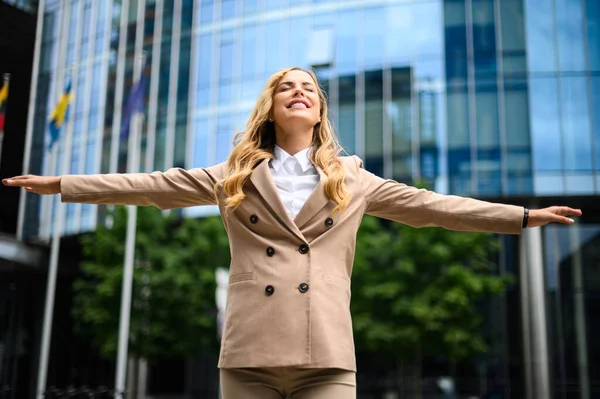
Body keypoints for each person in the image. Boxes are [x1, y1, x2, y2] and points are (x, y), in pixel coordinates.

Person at [2, 67, 581, 398]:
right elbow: (154, 184)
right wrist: (65, 185)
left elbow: (433, 206)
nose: (298, 91)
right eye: (286, 88)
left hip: (325, 355)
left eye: (308, 87)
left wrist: (523, 217)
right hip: (250, 352)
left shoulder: (353, 179)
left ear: (320, 112)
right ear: (272, 108)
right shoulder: (232, 176)